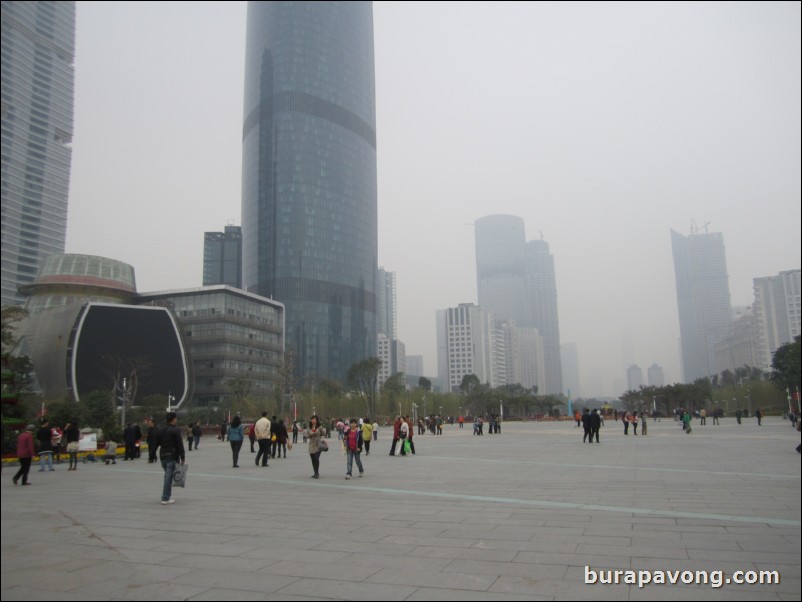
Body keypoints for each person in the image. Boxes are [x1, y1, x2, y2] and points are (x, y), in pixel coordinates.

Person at [153, 411, 185, 505]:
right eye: (176, 418)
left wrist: (152, 454)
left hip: (163, 456)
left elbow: (155, 443)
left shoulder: (160, 430)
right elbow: (180, 444)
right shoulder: (176, 430)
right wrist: (182, 456)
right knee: (168, 477)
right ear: (173, 419)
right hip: (172, 455)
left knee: (168, 476)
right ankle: (165, 497)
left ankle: (167, 495)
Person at [307, 414, 324, 479]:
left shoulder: (319, 427)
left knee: (316, 459)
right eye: (312, 419)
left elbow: (323, 433)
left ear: (316, 420)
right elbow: (307, 435)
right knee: (313, 460)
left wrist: (320, 430)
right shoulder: (309, 428)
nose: (313, 420)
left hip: (318, 445)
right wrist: (311, 434)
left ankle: (317, 473)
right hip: (311, 445)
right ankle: (315, 472)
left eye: (314, 419)